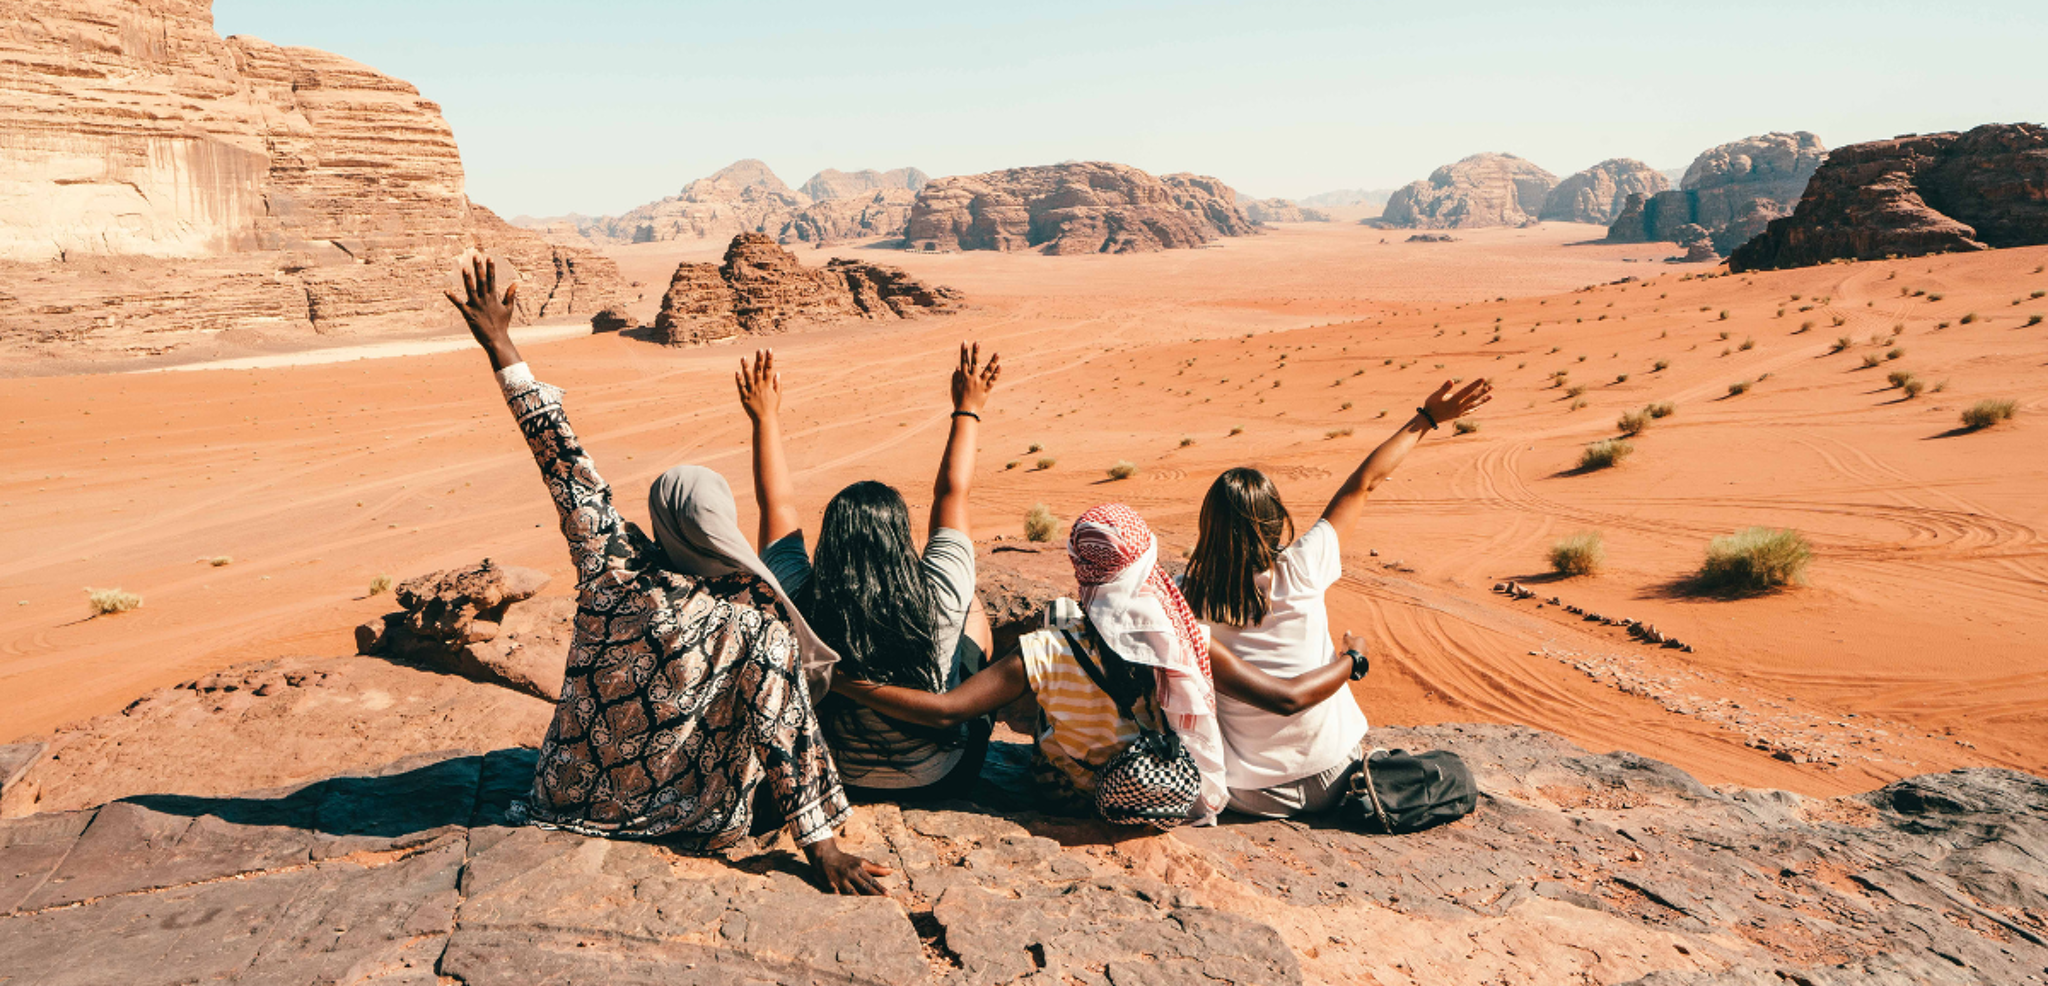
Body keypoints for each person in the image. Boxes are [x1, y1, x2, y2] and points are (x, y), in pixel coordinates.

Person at [443, 255, 890, 895]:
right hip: (694, 819)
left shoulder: (611, 567)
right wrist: (822, 849)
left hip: (569, 799)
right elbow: (781, 726)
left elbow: (561, 456)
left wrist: (500, 344)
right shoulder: (755, 623)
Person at [830, 504, 1360, 825]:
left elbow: (945, 711)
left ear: (1083, 568)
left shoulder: (1043, 651)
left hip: (1068, 797)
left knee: (1059, 617)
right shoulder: (1185, 637)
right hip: (1157, 788)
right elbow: (1286, 697)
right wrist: (1351, 660)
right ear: (1145, 562)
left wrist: (846, 683)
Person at [1181, 378, 1492, 818]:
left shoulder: (1184, 597)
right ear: (1276, 521)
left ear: (1207, 526)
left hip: (1249, 795)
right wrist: (1426, 419)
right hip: (1335, 776)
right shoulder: (1303, 566)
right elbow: (1363, 484)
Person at [736, 344, 1000, 801]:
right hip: (943, 776)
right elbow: (952, 495)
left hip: (841, 778)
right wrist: (968, 409)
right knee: (970, 605)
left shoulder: (799, 593)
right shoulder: (940, 590)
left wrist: (765, 418)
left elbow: (775, 505)